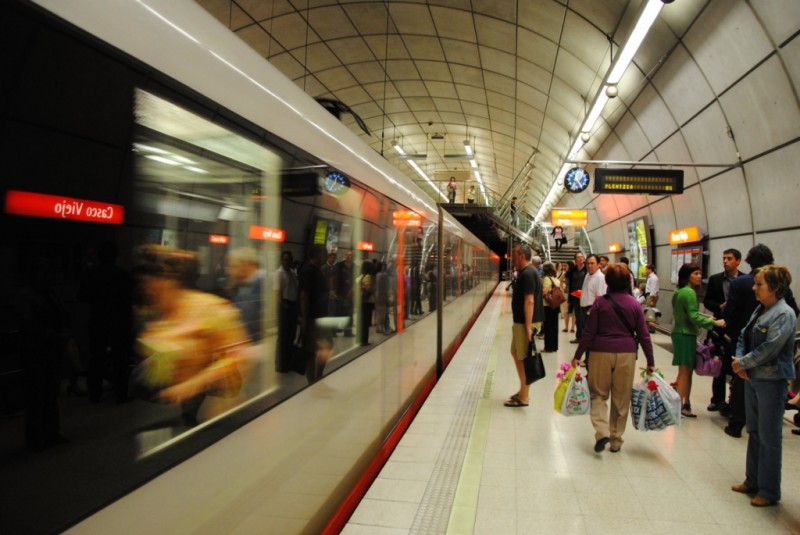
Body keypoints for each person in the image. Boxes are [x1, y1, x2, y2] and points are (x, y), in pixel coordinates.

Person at [136, 250, 249, 426]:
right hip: (185, 401)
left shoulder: (210, 307)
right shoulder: (157, 313)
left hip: (216, 401)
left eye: (152, 283)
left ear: (170, 281)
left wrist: (193, 384)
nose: (148, 290)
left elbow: (237, 354)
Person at [730, 264, 796, 507]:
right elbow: (743, 336)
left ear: (776, 288)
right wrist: (740, 362)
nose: (754, 288)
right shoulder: (760, 309)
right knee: (754, 432)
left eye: (759, 284)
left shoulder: (784, 314)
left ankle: (769, 491)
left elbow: (771, 348)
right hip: (752, 377)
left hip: (771, 380)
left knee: (769, 437)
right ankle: (752, 480)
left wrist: (743, 363)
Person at [572, 263, 655, 453]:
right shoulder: (634, 304)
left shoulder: (600, 303)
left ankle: (602, 432)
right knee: (621, 397)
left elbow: (589, 332)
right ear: (628, 281)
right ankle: (616, 439)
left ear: (607, 281)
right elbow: (644, 336)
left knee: (598, 395)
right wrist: (650, 361)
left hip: (600, 352)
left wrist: (577, 355)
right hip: (626, 354)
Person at [722, 244, 799, 437]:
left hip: (759, 361)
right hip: (754, 357)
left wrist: (740, 360)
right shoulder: (763, 306)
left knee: (741, 388)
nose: (755, 288)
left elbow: (731, 315)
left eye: (759, 285)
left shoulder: (740, 284)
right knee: (758, 431)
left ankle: (736, 422)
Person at [79, 241, 133, 404]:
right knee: (119, 359)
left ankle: (94, 394)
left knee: (96, 358)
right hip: (118, 322)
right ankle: (121, 394)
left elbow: (82, 295)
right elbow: (129, 299)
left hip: (97, 320)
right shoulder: (122, 274)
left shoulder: (91, 273)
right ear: (116, 256)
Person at [672, 262, 725, 418]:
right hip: (685, 334)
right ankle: (678, 405)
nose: (699, 276)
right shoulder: (689, 293)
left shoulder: (679, 291)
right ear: (687, 275)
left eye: (700, 273)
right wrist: (714, 322)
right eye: (695, 273)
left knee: (686, 371)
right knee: (684, 372)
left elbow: (687, 313)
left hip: (680, 333)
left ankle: (685, 404)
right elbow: (693, 316)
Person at [703, 248, 743, 413]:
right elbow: (707, 301)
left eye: (729, 258)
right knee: (718, 364)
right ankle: (716, 400)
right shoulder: (715, 279)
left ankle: (733, 401)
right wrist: (719, 306)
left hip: (736, 329)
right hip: (718, 327)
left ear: (738, 261)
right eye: (724, 258)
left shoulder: (745, 280)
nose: (725, 261)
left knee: (734, 365)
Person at [504, 245, 543, 407]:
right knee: (515, 352)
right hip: (521, 322)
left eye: (515, 255)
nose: (513, 258)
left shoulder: (528, 274)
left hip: (525, 323)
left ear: (521, 256)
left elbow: (530, 301)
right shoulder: (529, 272)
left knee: (524, 357)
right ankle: (522, 390)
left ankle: (524, 397)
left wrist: (528, 327)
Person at [298, 245, 333, 383]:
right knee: (312, 349)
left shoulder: (317, 270)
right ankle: (312, 378)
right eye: (323, 253)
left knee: (323, 345)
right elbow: (304, 296)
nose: (325, 256)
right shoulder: (308, 271)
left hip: (319, 315)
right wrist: (305, 319)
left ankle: (317, 375)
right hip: (312, 316)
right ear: (316, 255)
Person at [227, 247, 264, 343]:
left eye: (233, 266)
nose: (229, 271)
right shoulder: (240, 285)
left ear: (245, 265)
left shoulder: (262, 284)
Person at [573, 254, 606, 345]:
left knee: (590, 337)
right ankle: (587, 357)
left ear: (598, 264)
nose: (590, 266)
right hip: (583, 309)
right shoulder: (588, 275)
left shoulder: (600, 278)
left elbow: (601, 297)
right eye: (588, 264)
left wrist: (591, 311)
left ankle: (589, 358)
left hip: (591, 310)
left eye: (592, 263)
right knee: (584, 336)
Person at [274, 251, 299, 373]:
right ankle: (280, 364)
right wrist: (285, 306)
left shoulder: (293, 273)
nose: (286, 262)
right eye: (284, 260)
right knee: (283, 337)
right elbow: (277, 293)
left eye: (288, 260)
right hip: (285, 306)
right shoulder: (279, 274)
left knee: (291, 336)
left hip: (293, 305)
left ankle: (289, 362)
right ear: (281, 260)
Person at [334, 250, 355, 336]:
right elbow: (335, 278)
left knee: (349, 313)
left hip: (350, 292)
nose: (348, 257)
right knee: (338, 311)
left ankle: (348, 332)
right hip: (340, 292)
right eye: (347, 255)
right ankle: (334, 330)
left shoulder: (355, 267)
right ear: (345, 256)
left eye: (350, 256)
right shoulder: (339, 266)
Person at [541, 262, 560, 353]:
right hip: (555, 305)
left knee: (548, 327)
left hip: (547, 305)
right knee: (554, 327)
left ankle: (548, 347)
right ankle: (554, 346)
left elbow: (545, 292)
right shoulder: (555, 279)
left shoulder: (547, 279)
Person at [567, 253, 586, 339]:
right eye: (578, 257)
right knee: (578, 316)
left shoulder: (586, 270)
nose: (580, 258)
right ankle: (579, 336)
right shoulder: (573, 271)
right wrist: (570, 297)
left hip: (584, 296)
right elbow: (571, 284)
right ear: (575, 260)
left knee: (583, 317)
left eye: (582, 257)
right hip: (575, 296)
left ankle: (583, 336)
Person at [358, 260, 375, 345]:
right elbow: (368, 289)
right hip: (367, 302)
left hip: (361, 301)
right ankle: (364, 340)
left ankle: (361, 339)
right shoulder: (368, 276)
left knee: (362, 321)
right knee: (366, 322)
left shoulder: (361, 276)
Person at [562, 260, 576, 333]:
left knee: (572, 311)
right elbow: (561, 280)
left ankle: (572, 327)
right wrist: (563, 287)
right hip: (567, 293)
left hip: (572, 293)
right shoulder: (566, 274)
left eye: (566, 266)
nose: (564, 267)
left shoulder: (573, 274)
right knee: (567, 311)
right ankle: (567, 327)